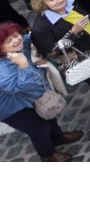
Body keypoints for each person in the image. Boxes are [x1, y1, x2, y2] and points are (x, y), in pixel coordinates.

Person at [0, 22, 81, 160]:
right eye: (9, 41)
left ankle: (57, 137)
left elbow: (32, 36)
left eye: (16, 35)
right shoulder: (2, 69)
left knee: (48, 114)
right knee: (39, 128)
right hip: (11, 108)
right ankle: (47, 155)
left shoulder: (19, 46)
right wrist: (23, 65)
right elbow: (18, 87)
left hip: (30, 97)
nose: (16, 40)